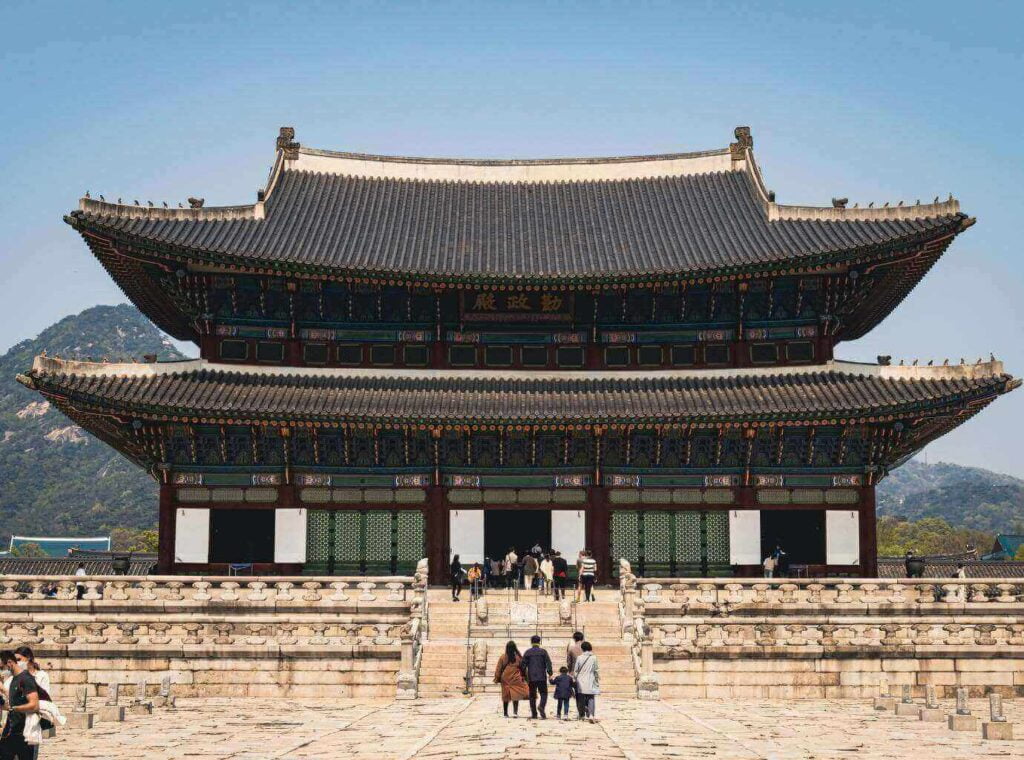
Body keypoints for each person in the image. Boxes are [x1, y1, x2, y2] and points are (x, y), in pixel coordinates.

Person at [0, 649, 39, 760]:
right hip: (10, 731)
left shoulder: (26, 679)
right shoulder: (13, 680)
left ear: (9, 663)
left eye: (2, 667)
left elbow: (34, 705)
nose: (2, 671)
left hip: (24, 733)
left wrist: (15, 708)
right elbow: (12, 704)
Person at [520, 635, 553, 719]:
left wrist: (523, 675)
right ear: (539, 642)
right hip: (542, 676)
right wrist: (550, 673)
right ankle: (541, 706)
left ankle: (534, 714)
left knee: (532, 696)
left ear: (531, 642)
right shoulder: (543, 652)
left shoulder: (528, 652)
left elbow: (522, 665)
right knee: (544, 693)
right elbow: (548, 663)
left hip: (531, 677)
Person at [493, 641, 528, 718]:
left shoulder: (503, 657)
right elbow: (523, 668)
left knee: (505, 696)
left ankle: (505, 713)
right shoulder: (518, 657)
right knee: (516, 695)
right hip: (515, 678)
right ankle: (515, 712)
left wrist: (497, 678)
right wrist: (526, 678)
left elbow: (498, 669)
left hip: (505, 679)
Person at [572, 641, 600, 722]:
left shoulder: (579, 658)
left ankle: (582, 715)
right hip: (591, 679)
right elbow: (596, 670)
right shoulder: (594, 658)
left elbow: (576, 670)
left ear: (582, 648)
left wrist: (575, 678)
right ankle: (591, 715)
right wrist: (597, 680)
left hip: (581, 680)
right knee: (591, 698)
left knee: (581, 698)